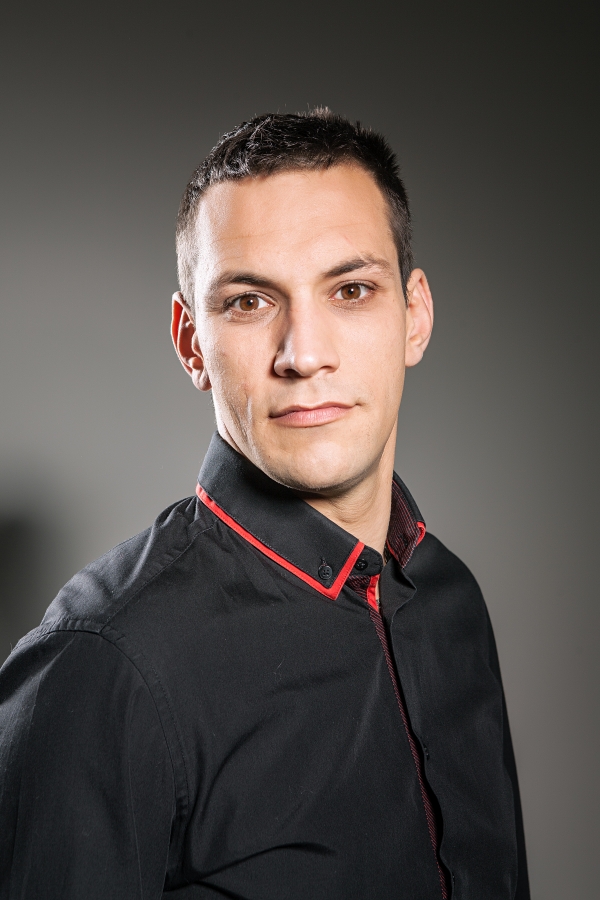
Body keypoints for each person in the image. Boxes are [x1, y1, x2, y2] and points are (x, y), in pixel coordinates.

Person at [0, 109, 529, 900]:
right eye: (249, 302)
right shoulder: (103, 668)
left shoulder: (451, 600)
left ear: (414, 316)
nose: (304, 354)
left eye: (351, 290)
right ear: (191, 342)